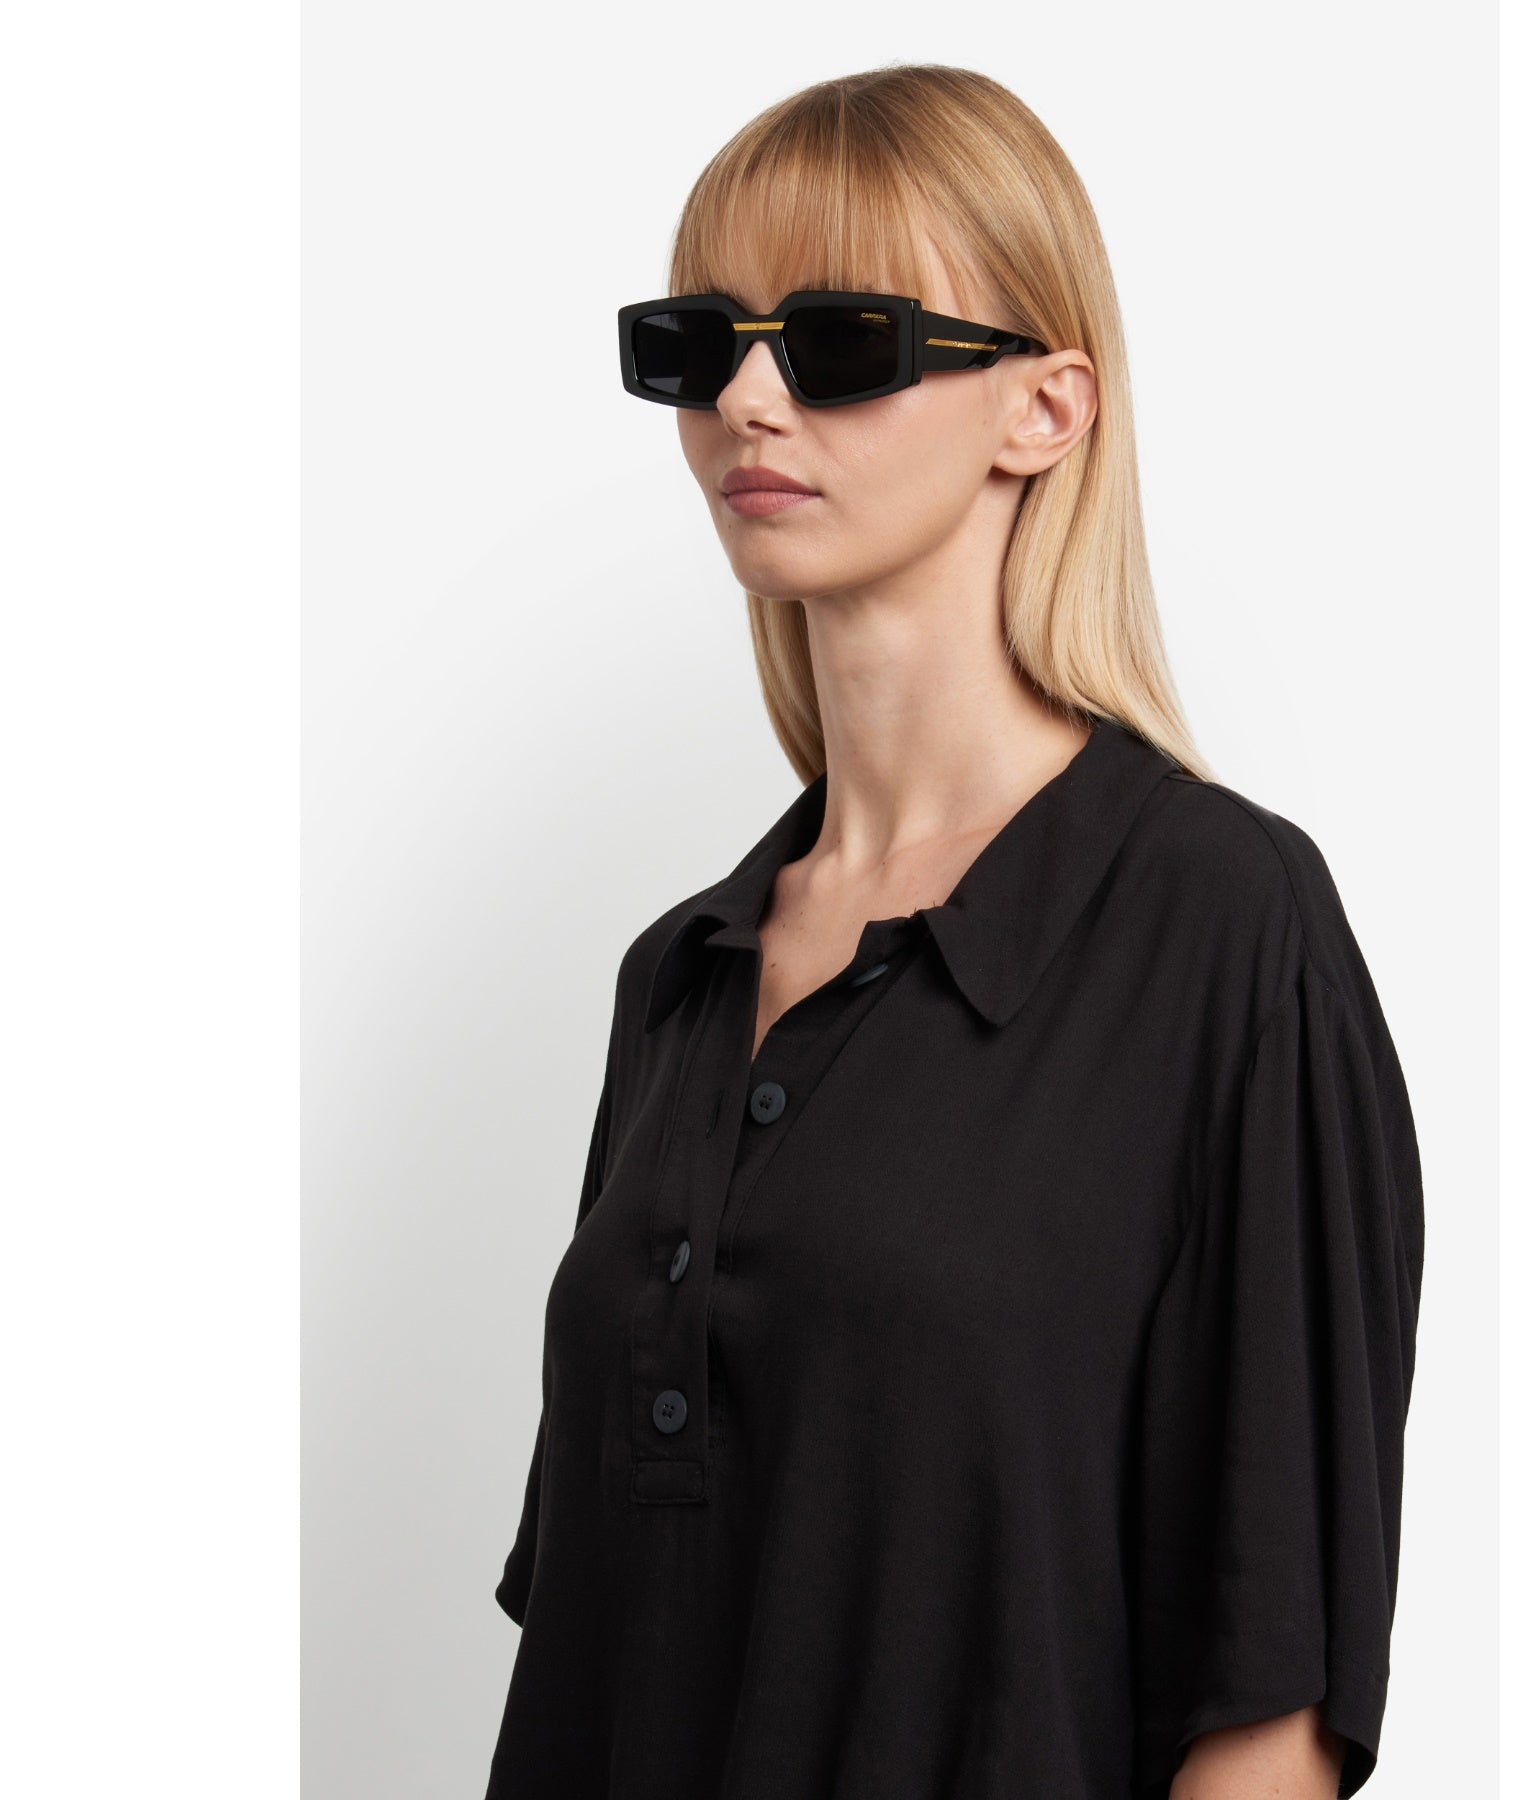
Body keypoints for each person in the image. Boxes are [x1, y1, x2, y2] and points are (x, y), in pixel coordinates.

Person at [484, 64, 1425, 1800]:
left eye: (841, 341)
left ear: (1044, 410)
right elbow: (601, 1647)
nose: (749, 398)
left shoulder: (1222, 932)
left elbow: (1273, 1705)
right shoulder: (681, 975)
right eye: (698, 344)